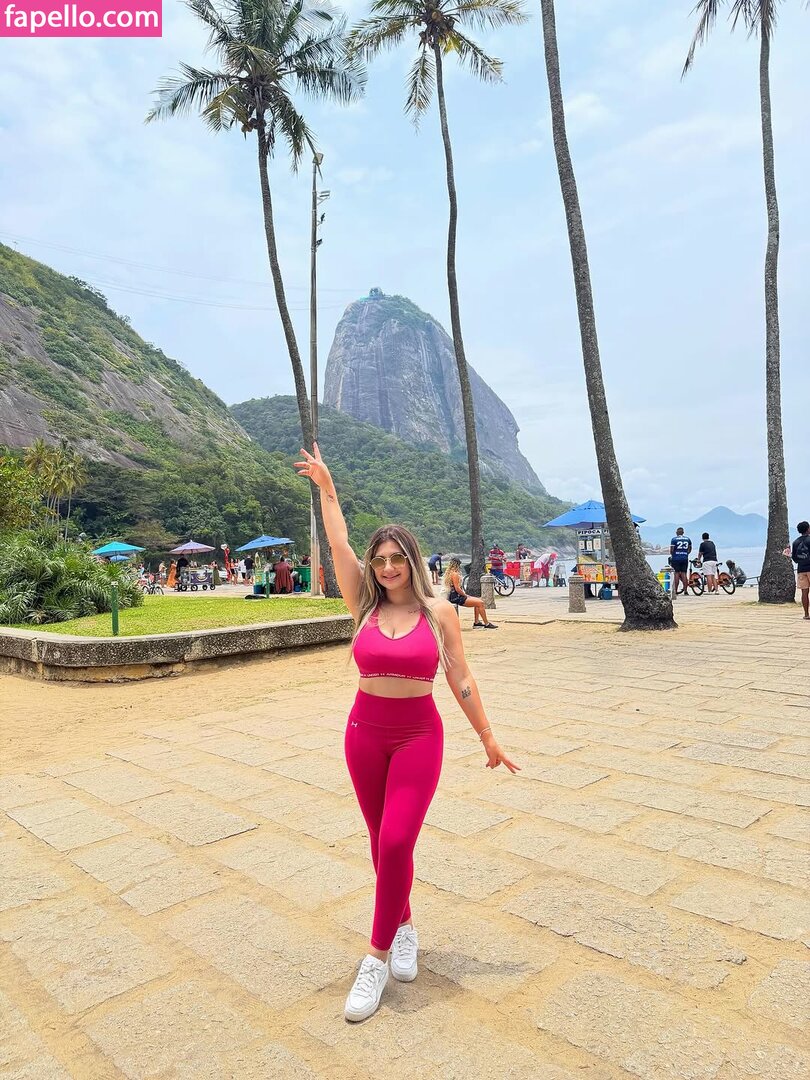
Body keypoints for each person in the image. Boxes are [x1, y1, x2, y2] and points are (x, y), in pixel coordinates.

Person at [295, 442, 518, 1023]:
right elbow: (339, 544)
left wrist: (488, 737)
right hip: (364, 734)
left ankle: (374, 958)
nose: (388, 567)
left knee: (396, 841)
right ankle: (404, 926)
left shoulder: (439, 612)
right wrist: (328, 490)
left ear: (413, 561)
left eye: (397, 558)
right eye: (380, 560)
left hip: (419, 735)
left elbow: (460, 677)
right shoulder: (362, 605)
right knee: (379, 842)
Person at [442, 559, 497, 629]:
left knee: (478, 601)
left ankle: (477, 622)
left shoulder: (450, 573)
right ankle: (486, 623)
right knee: (480, 603)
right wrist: (465, 595)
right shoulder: (455, 574)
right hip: (457, 597)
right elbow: (457, 588)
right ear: (457, 565)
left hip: (454, 595)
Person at [786, 521, 810, 620]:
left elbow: (795, 559)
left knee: (804, 593)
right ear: (808, 529)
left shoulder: (795, 542)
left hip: (801, 570)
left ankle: (806, 614)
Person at [669, 527, 692, 598]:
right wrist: (686, 553)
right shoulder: (688, 539)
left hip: (676, 558)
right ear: (683, 532)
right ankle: (685, 591)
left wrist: (673, 555)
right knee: (684, 574)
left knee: (676, 574)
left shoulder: (674, 539)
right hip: (684, 558)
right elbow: (690, 548)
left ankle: (675, 590)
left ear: (676, 533)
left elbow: (672, 550)